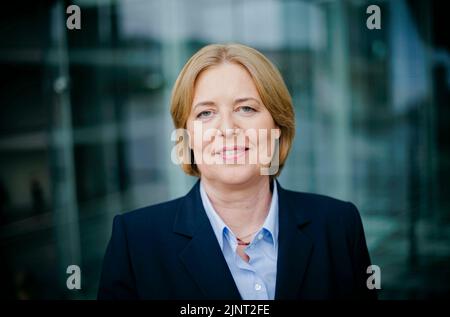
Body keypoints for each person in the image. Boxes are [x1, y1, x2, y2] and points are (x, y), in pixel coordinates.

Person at [98, 43, 376, 300]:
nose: (227, 129)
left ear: (277, 126)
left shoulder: (339, 226)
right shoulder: (136, 242)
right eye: (206, 113)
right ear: (186, 136)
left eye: (246, 108)